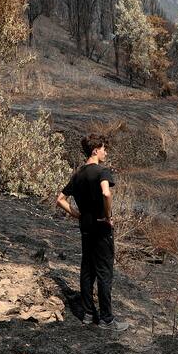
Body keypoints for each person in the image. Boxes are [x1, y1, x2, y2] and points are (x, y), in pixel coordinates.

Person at [56, 133, 129, 331]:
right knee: (104, 273)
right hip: (101, 227)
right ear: (95, 150)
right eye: (104, 149)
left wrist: (77, 214)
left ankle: (88, 314)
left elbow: (60, 199)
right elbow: (106, 192)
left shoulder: (78, 174)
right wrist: (107, 215)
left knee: (87, 270)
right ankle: (106, 319)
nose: (106, 153)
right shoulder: (102, 172)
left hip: (86, 227)